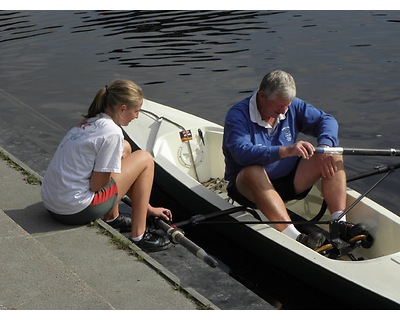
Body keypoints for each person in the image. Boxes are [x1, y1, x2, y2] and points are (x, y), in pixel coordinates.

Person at [222, 70, 366, 250]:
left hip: (289, 183)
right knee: (253, 170)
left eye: (287, 106)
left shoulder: (291, 107)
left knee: (332, 153)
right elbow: (241, 153)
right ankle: (295, 237)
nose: (284, 112)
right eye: (279, 107)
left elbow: (327, 120)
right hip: (248, 188)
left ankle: (339, 222)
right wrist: (284, 151)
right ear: (262, 95)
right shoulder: (238, 116)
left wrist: (326, 144)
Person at [41, 80, 172, 252]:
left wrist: (147, 206)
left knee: (126, 147)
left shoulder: (88, 123)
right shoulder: (112, 132)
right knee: (145, 159)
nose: (137, 117)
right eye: (136, 111)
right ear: (122, 108)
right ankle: (139, 236)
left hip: (53, 205)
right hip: (75, 211)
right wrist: (113, 167)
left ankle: (112, 217)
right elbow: (97, 186)